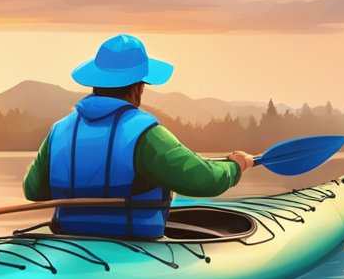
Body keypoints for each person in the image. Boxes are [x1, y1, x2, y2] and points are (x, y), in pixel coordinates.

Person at [23, 34, 254, 239]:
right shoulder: (146, 133)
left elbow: (34, 191)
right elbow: (205, 181)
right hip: (133, 240)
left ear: (96, 82)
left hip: (70, 237)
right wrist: (235, 167)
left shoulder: (59, 130)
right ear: (137, 88)